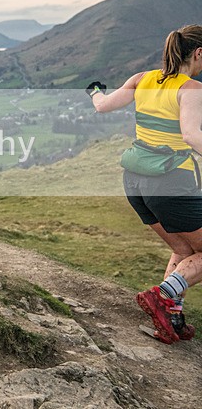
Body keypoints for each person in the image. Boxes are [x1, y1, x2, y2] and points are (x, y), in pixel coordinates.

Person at [87, 24, 202, 343]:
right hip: (169, 182)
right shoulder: (191, 88)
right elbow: (191, 135)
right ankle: (163, 296)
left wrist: (95, 89)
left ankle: (172, 319)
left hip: (135, 181)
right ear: (198, 53)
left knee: (183, 247)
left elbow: (102, 105)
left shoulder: (142, 79)